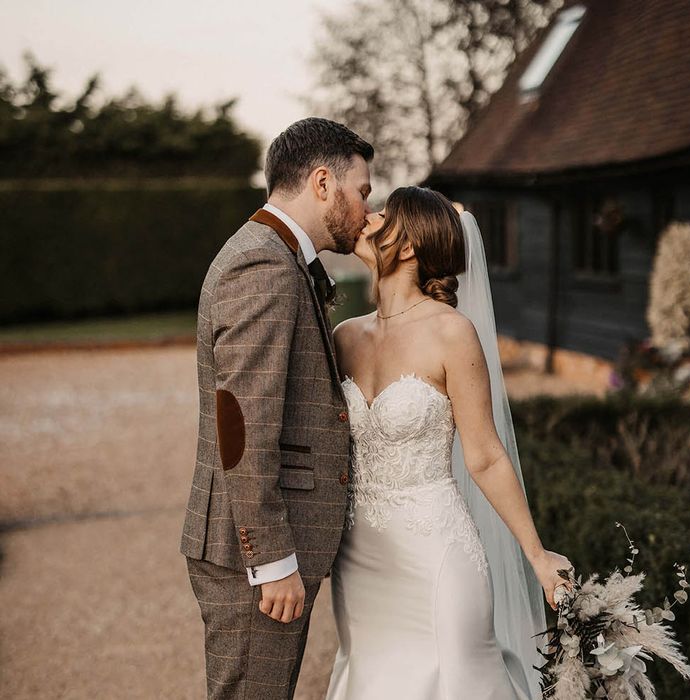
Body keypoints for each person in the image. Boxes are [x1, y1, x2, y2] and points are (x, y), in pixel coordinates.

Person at [325, 186, 573, 699]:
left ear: (410, 245)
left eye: (382, 215)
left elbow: (484, 456)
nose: (367, 219)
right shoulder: (344, 337)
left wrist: (537, 554)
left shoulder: (451, 333)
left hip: (434, 554)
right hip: (357, 559)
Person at [180, 117, 373, 699]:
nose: (367, 208)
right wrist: (269, 559)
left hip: (257, 545)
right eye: (362, 191)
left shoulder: (275, 254)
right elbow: (242, 419)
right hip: (252, 557)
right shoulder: (264, 264)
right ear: (322, 182)